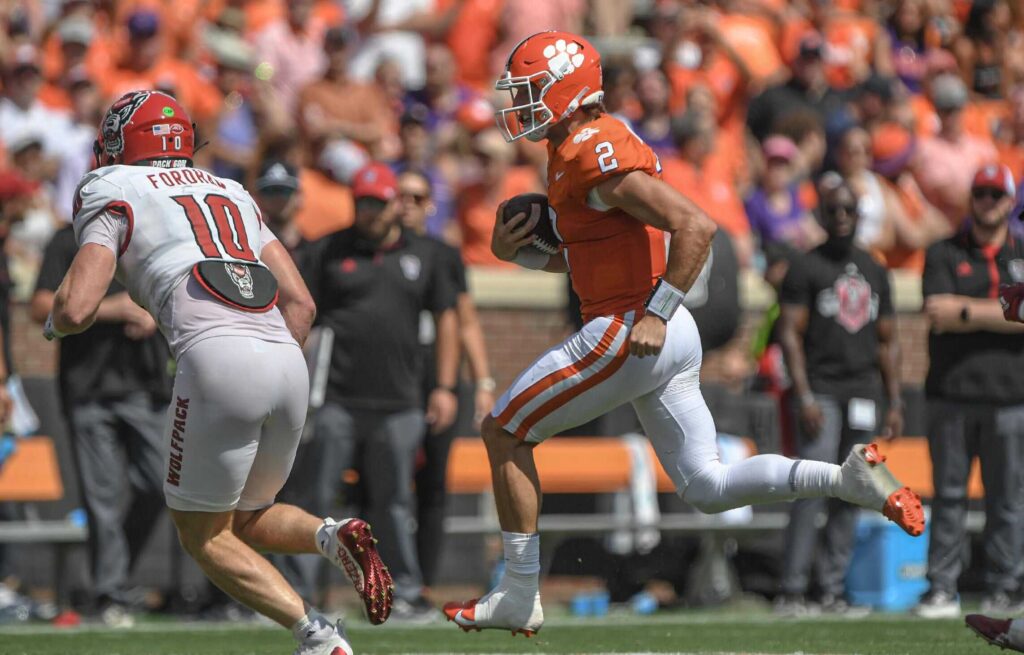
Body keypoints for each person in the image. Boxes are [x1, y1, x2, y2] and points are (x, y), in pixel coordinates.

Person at [443, 30, 924, 637]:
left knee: (504, 430)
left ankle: (517, 591)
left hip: (629, 327)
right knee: (709, 485)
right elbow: (588, 259)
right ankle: (844, 478)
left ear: (568, 89)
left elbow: (695, 226)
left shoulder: (592, 150)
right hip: (661, 331)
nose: (521, 105)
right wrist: (523, 257)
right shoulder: (578, 147)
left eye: (532, 90)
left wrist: (654, 312)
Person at [43, 90, 392, 655]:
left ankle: (318, 636)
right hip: (285, 357)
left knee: (202, 536)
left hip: (216, 359)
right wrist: (267, 359)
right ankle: (331, 536)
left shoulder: (110, 187)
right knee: (247, 517)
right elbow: (300, 303)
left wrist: (55, 327)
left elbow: (77, 307)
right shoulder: (231, 189)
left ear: (119, 144)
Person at [287, 162, 460, 621]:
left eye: (377, 204)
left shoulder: (423, 255)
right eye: (362, 203)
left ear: (393, 206)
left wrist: (444, 386)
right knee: (316, 498)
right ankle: (294, 593)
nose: (368, 212)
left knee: (395, 501)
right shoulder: (328, 251)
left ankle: (402, 589)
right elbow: (299, 309)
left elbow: (448, 321)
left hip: (401, 402)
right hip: (336, 400)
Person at [775, 173, 903, 617]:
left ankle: (830, 589)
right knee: (810, 489)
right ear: (821, 215)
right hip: (823, 391)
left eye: (850, 210)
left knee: (854, 492)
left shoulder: (876, 268)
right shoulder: (805, 266)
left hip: (864, 390)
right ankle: (792, 589)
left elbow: (888, 340)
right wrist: (804, 396)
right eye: (834, 210)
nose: (843, 217)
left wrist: (897, 400)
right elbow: (789, 336)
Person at [31, 223, 172, 627]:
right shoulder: (67, 237)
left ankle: (114, 578)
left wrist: (151, 312)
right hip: (89, 389)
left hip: (147, 387)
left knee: (161, 483)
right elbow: (42, 306)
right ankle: (111, 592)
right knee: (102, 499)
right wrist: (114, 309)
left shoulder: (156, 232)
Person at [912, 163, 1024, 620]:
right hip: (952, 394)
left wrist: (967, 310)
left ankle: (1006, 585)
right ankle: (941, 587)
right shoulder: (942, 252)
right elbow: (937, 311)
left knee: (1008, 499)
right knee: (950, 496)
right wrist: (1004, 312)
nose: (988, 202)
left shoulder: (1020, 253)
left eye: (996, 195)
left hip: (1011, 396)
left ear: (1010, 201)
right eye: (981, 193)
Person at [396, 169, 496, 589]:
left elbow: (466, 320)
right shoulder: (373, 251)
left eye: (417, 198)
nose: (407, 205)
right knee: (385, 483)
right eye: (401, 196)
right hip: (390, 383)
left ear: (429, 205)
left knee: (433, 484)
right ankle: (386, 583)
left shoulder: (441, 253)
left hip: (436, 381)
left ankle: (423, 584)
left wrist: (483, 382)